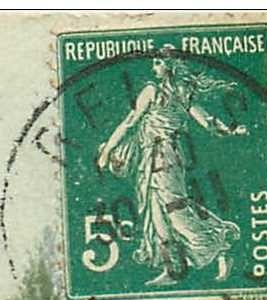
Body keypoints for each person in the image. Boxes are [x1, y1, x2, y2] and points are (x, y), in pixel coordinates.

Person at [95, 48, 247, 286]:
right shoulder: (184, 93)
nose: (153, 68)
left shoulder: (152, 91)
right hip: (164, 157)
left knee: (174, 210)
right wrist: (229, 131)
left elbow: (129, 122)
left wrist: (106, 152)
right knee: (158, 215)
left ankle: (219, 243)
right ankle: (174, 271)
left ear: (169, 66)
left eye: (157, 63)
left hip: (161, 157)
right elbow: (206, 121)